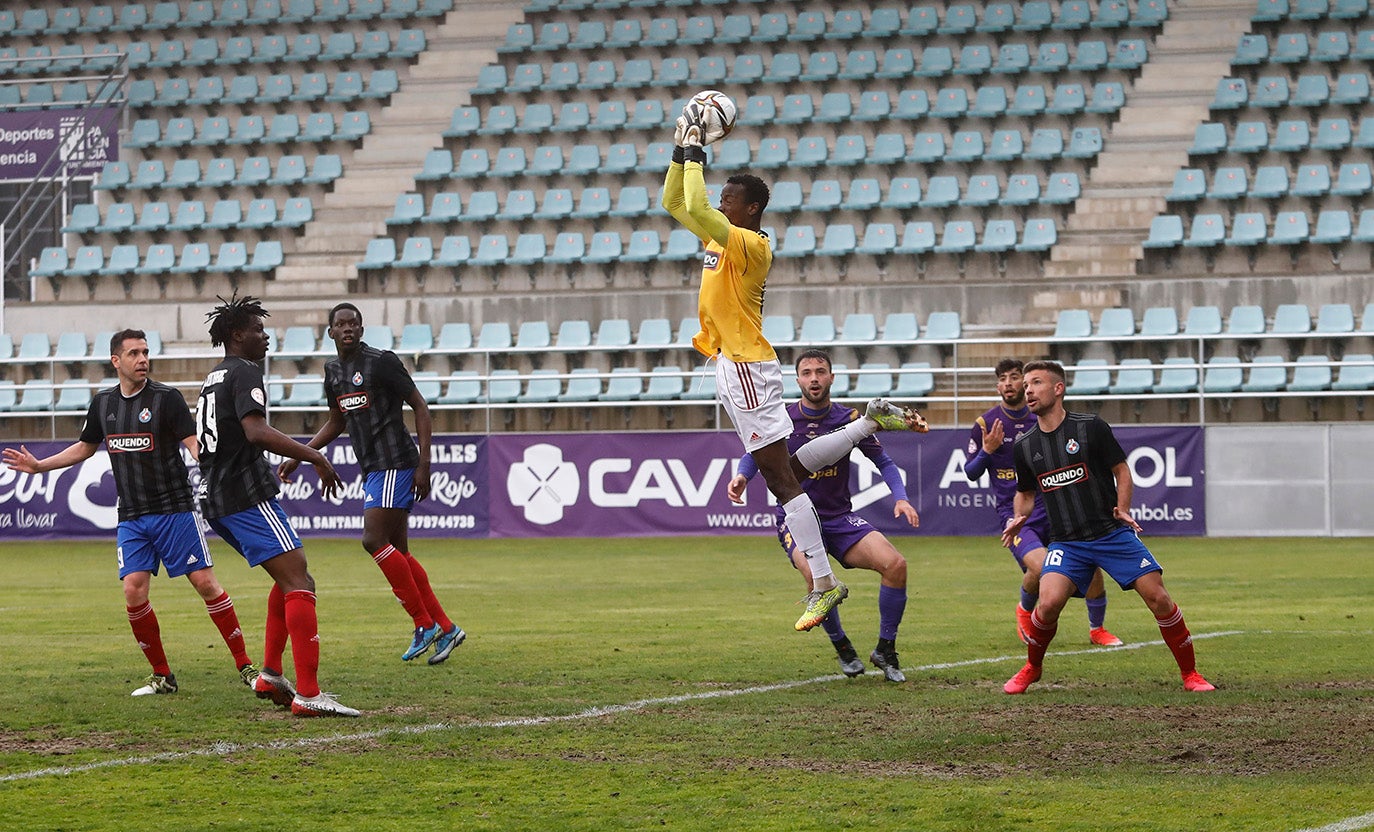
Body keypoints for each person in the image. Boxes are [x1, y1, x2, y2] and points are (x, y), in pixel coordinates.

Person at [663, 106, 926, 632]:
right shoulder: (722, 238)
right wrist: (679, 147)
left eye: (730, 199)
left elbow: (694, 198)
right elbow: (675, 200)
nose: (720, 202)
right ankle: (869, 421)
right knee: (793, 469)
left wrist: (698, 149)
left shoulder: (750, 245)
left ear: (753, 208)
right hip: (733, 364)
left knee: (782, 482)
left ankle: (824, 584)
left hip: (745, 366)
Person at [3, 330, 258, 698]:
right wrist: (40, 466)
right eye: (134, 353)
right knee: (133, 592)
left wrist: (226, 468)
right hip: (132, 517)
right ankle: (162, 676)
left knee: (205, 584)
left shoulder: (167, 399)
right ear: (116, 361)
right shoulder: (104, 403)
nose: (142, 359)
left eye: (145, 352)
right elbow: (84, 448)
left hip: (174, 510)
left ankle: (245, 665)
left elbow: (194, 448)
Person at [1000, 360, 1215, 694]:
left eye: (1036, 382)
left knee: (1158, 597)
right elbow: (1025, 494)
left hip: (1110, 534)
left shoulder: (1090, 427)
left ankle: (1191, 675)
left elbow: (1122, 469)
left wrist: (1123, 508)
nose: (1028, 389)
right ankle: (1033, 667)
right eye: (1026, 384)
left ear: (1058, 389)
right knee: (1047, 604)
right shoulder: (1024, 445)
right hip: (1067, 542)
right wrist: (1018, 518)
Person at [197, 294, 360, 717]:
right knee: (300, 581)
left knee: (287, 577)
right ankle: (309, 693)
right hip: (244, 493)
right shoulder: (246, 371)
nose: (265, 336)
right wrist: (316, 456)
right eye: (257, 330)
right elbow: (255, 431)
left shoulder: (213, 376)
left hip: (217, 495)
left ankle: (270, 674)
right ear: (238, 336)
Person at [278, 302, 465, 665]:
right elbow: (337, 421)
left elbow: (420, 407)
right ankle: (445, 626)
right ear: (330, 332)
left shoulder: (382, 362)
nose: (347, 329)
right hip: (374, 469)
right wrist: (301, 453)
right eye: (341, 324)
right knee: (400, 552)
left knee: (372, 540)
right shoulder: (332, 372)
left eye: (354, 324)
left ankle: (424, 624)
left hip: (396, 462)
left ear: (362, 330)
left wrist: (424, 464)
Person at [727, 350, 917, 681]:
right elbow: (754, 453)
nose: (814, 378)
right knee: (817, 579)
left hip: (839, 518)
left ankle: (885, 649)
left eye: (820, 371)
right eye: (807, 372)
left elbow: (884, 462)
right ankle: (843, 648)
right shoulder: (783, 421)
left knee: (896, 566)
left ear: (831, 377)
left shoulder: (849, 419)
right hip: (795, 519)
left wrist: (900, 498)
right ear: (797, 379)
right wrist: (743, 476)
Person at [963, 358, 1122, 648]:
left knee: (1092, 567)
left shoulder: (1042, 416)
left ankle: (1097, 629)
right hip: (1016, 513)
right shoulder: (986, 424)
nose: (1009, 384)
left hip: (1056, 505)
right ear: (997, 385)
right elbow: (971, 472)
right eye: (1003, 379)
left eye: (1016, 378)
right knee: (1040, 568)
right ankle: (1025, 611)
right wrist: (987, 451)